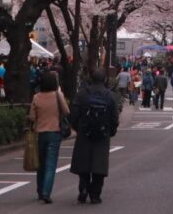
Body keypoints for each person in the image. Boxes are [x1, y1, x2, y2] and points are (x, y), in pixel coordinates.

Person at [69, 70, 117, 205]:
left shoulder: (82, 94)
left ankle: (83, 188)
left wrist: (78, 127)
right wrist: (111, 131)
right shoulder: (109, 95)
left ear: (91, 79)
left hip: (84, 132)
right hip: (102, 133)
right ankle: (95, 194)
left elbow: (74, 114)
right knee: (99, 164)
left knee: (83, 162)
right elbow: (114, 117)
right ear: (105, 80)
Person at [29, 71, 70, 203]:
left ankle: (40, 190)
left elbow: (32, 117)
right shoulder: (58, 95)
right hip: (55, 131)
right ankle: (46, 192)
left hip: (40, 133)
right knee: (50, 164)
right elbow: (66, 111)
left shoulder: (36, 97)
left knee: (40, 163)